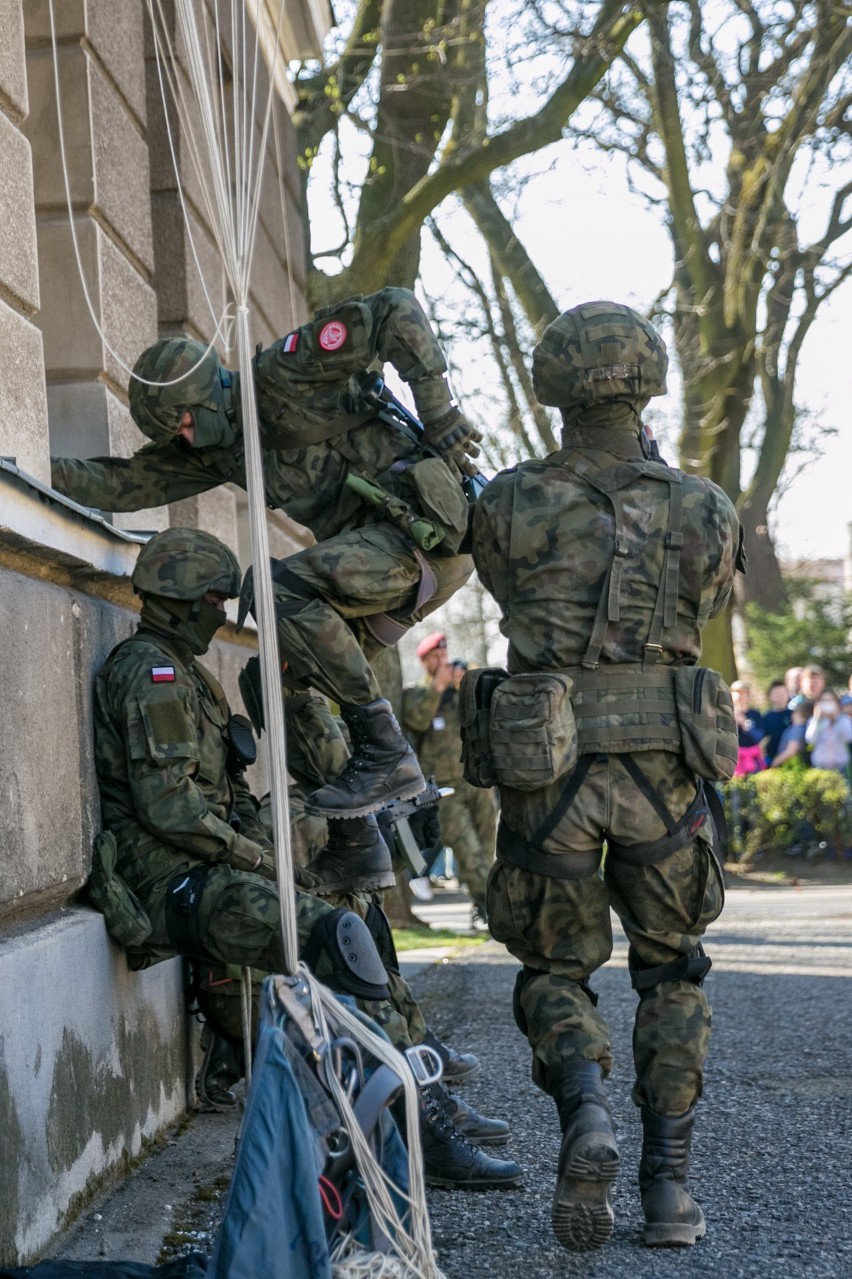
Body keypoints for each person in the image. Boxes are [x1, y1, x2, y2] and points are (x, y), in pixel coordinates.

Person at [91, 527, 522, 1190]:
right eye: (212, 597)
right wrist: (259, 860)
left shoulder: (183, 668)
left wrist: (270, 849)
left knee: (351, 893)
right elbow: (169, 809)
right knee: (334, 935)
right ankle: (417, 1128)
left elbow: (219, 800)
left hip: (205, 867)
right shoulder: (155, 674)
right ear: (179, 599)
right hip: (171, 883)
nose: (220, 610)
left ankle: (418, 1073)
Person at [469, 301, 741, 1252]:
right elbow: (710, 600)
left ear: (553, 386)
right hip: (666, 772)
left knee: (556, 967)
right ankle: (667, 1191)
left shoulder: (504, 499)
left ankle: (586, 1115)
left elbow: (502, 589)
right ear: (648, 379)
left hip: (551, 773)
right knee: (673, 968)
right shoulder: (705, 503)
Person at [53, 287, 481, 887]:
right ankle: (359, 839)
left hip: (426, 537)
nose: (181, 435)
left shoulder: (286, 371)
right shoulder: (216, 448)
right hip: (377, 564)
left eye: (181, 419)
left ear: (202, 396)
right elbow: (120, 485)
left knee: (274, 587)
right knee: (274, 682)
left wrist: (439, 411)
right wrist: (24, 458)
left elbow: (394, 310)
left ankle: (386, 752)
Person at [401, 632, 496, 927]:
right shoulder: (417, 695)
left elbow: (486, 717)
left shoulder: (459, 693)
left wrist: (463, 685)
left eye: (445, 656)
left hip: (476, 782)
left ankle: (486, 905)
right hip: (443, 788)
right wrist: (437, 687)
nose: (442, 662)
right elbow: (416, 720)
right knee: (467, 850)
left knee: (486, 846)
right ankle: (492, 909)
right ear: (424, 662)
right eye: (435, 658)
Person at [805, 690, 852, 778]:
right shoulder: (815, 720)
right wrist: (816, 719)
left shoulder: (844, 719)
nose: (827, 704)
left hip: (840, 767)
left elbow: (848, 737)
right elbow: (810, 739)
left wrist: (837, 718)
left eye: (830, 701)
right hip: (820, 767)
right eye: (824, 701)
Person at [730, 680, 765, 776]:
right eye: (736, 692)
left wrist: (745, 723)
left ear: (748, 695)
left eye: (743, 693)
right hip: (734, 761)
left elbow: (758, 737)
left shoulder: (755, 714)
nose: (739, 696)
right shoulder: (726, 714)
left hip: (753, 762)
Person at [769, 698, 812, 769]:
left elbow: (791, 750)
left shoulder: (797, 729)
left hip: (788, 765)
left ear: (797, 713)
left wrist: (775, 762)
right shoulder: (801, 728)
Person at [760, 679, 792, 764]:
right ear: (770, 696)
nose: (780, 696)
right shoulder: (766, 717)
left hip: (790, 758)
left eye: (783, 693)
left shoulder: (794, 715)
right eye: (776, 694)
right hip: (771, 759)